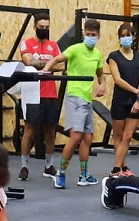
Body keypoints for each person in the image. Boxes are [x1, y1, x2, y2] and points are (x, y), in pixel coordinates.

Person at [42, 19, 106, 189]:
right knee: (76, 137)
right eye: (88, 34)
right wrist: (45, 70)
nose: (91, 37)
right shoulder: (76, 49)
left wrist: (103, 85)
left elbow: (101, 74)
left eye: (94, 35)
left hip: (87, 99)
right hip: (75, 96)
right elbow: (56, 59)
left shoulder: (97, 55)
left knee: (88, 138)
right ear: (84, 33)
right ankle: (60, 174)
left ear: (99, 36)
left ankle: (84, 175)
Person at [18, 12, 62, 181]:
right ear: (35, 26)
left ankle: (49, 166)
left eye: (47, 27)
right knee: (29, 130)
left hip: (50, 92)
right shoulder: (26, 43)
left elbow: (64, 65)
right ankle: (24, 166)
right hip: (32, 92)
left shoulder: (53, 45)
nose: (44, 30)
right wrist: (51, 64)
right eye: (41, 27)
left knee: (50, 132)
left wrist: (43, 65)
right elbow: (28, 62)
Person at [106, 23, 139, 177]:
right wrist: (136, 91)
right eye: (122, 35)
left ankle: (115, 169)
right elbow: (117, 79)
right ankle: (123, 167)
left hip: (135, 101)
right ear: (119, 38)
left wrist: (138, 98)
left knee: (128, 136)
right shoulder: (113, 57)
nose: (126, 38)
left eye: (128, 35)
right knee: (118, 136)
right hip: (120, 101)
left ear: (133, 37)